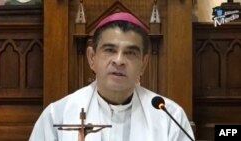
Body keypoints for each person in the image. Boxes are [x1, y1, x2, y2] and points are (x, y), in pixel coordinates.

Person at [29, 12, 195, 141]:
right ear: (91, 58)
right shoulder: (57, 115)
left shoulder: (170, 117)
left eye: (130, 53)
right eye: (110, 50)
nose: (119, 60)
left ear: (143, 64)